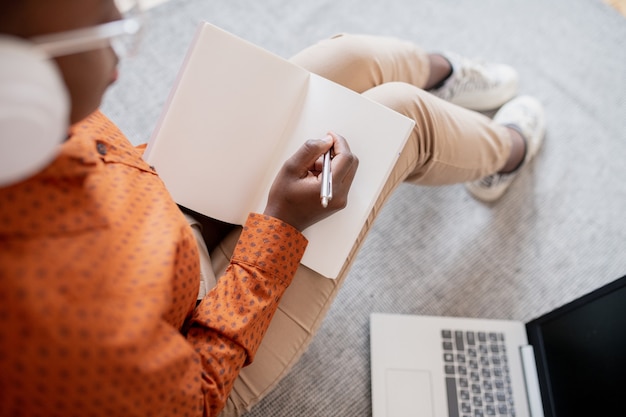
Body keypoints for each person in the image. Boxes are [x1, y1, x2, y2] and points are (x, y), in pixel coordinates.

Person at [0, 0, 546, 416]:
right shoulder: (54, 330)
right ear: (20, 83)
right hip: (198, 335)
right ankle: (508, 152)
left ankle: (445, 75)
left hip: (153, 221)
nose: (126, 43)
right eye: (108, 29)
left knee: (348, 60)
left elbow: (103, 176)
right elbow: (199, 391)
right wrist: (280, 228)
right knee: (401, 120)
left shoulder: (24, 128)